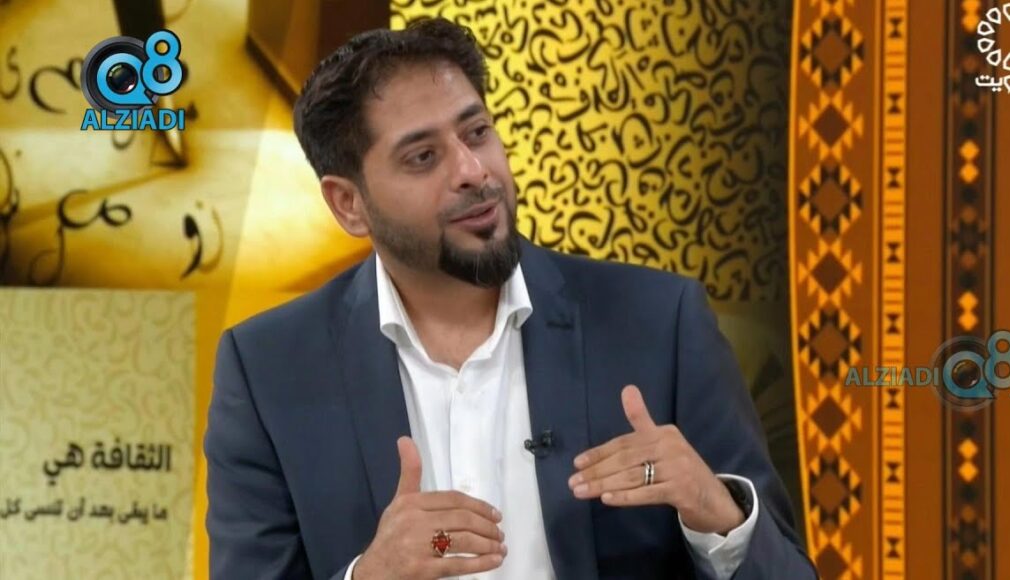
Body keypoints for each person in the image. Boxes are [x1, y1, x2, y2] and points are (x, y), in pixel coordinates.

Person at [204, 17, 815, 580]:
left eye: (477, 132)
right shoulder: (267, 371)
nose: (473, 170)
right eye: (423, 157)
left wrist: (718, 514)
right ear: (349, 204)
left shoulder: (660, 324)